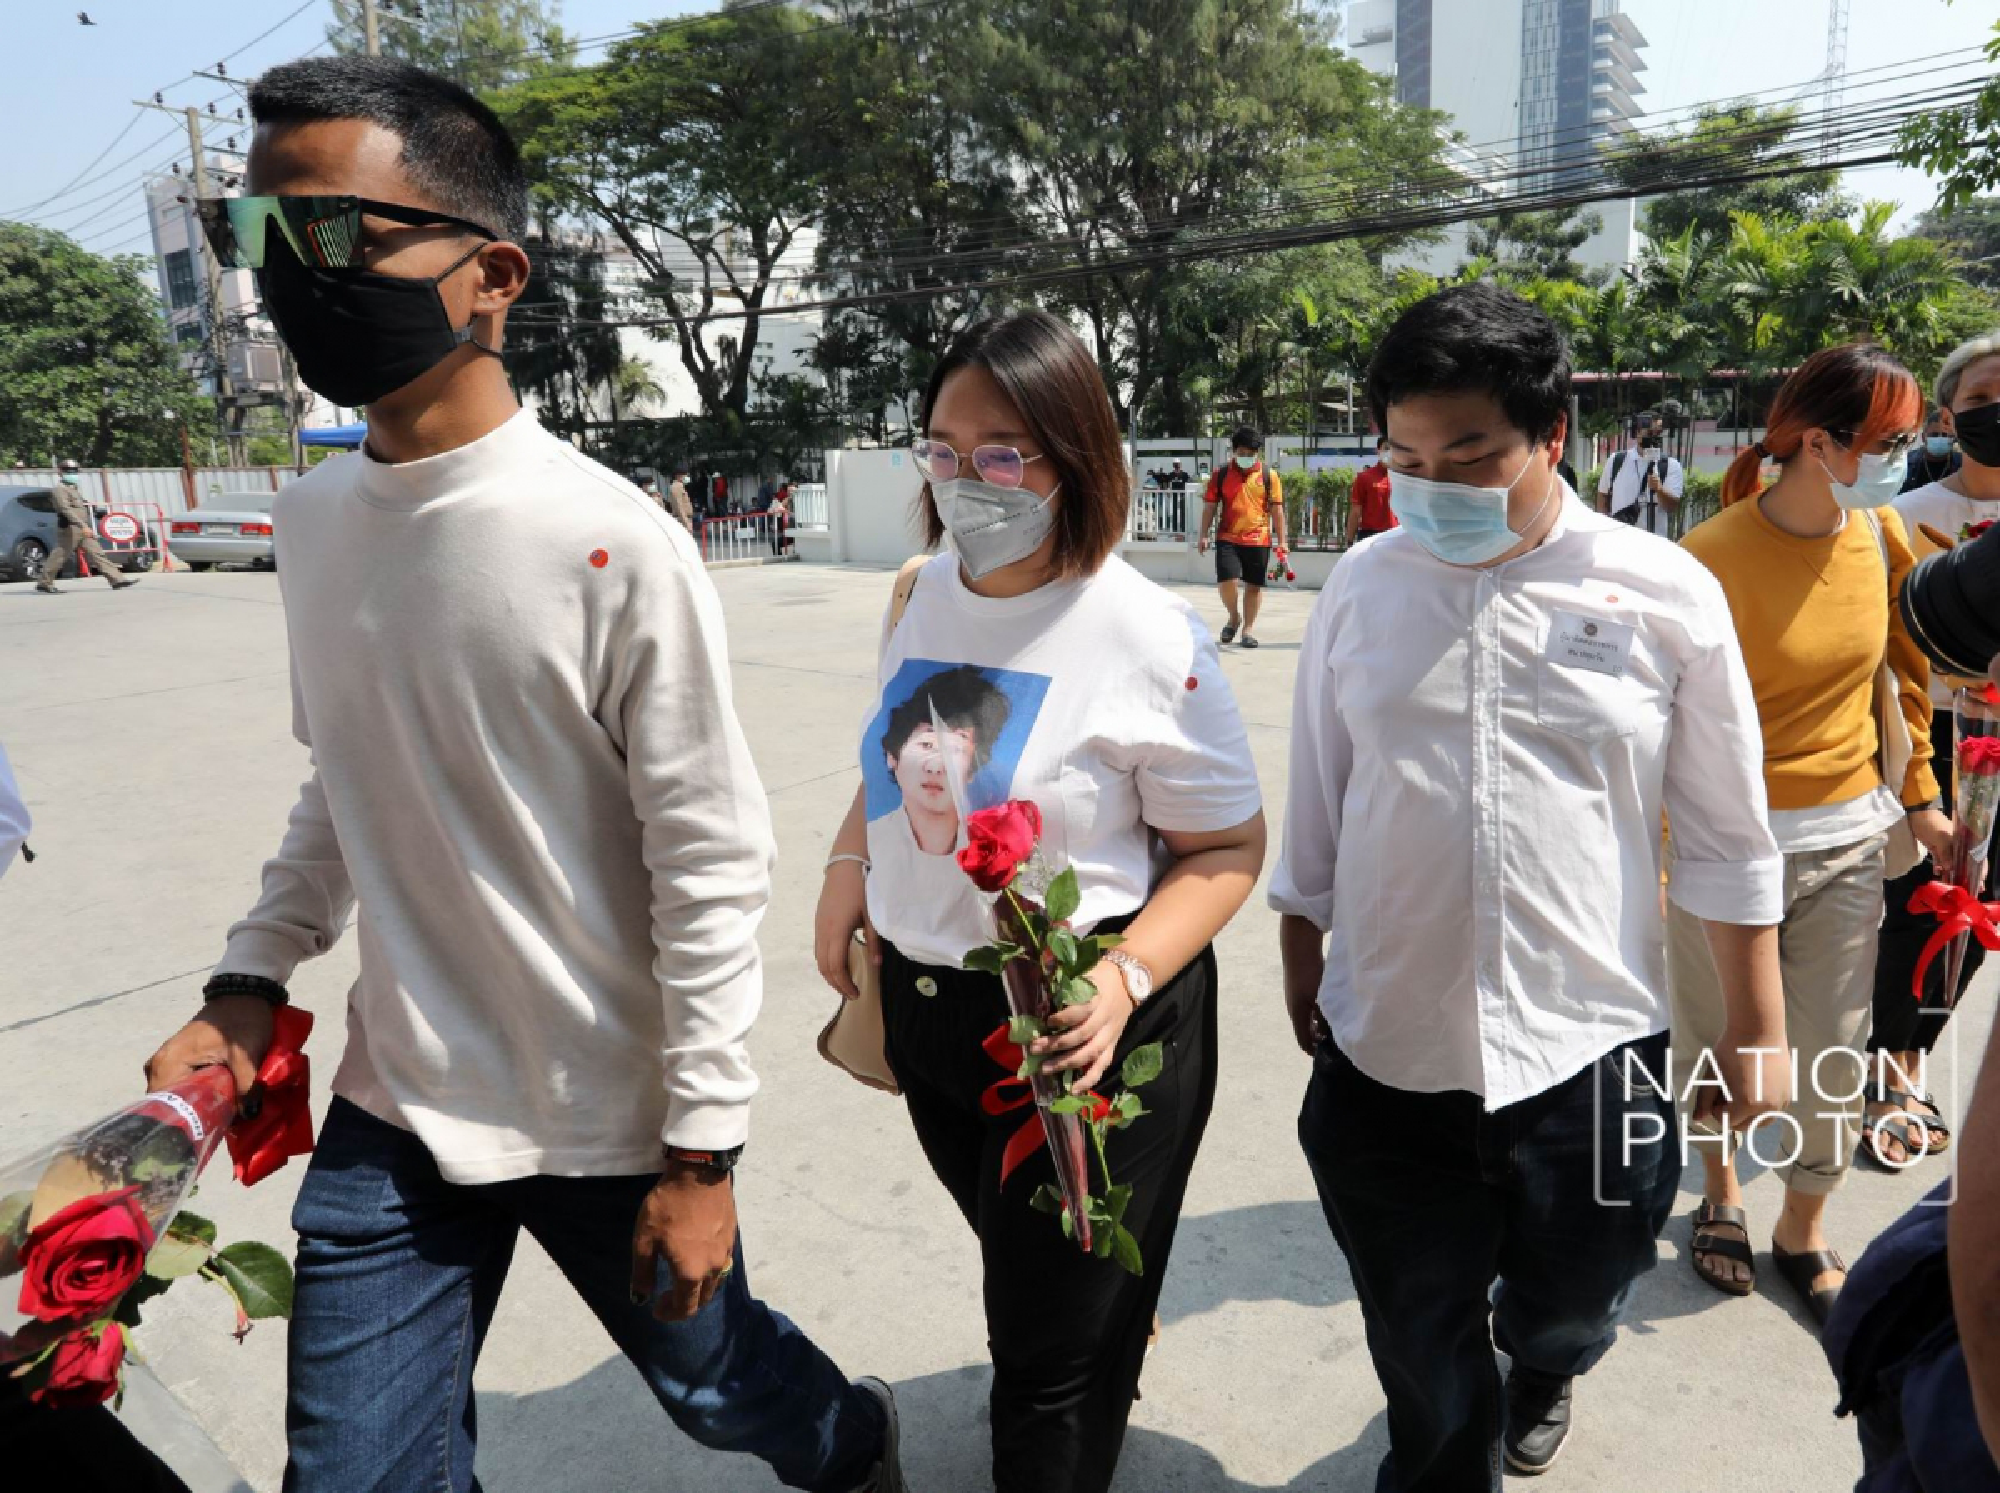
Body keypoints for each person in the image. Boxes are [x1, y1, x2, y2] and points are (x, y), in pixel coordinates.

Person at [146, 57, 905, 1493]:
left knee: (719, 1388)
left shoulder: (606, 544)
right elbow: (347, 778)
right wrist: (251, 975)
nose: (287, 280)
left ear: (492, 273)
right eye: (254, 239)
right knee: (357, 1476)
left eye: (328, 237)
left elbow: (707, 860)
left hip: (609, 1110)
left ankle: (849, 1438)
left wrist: (704, 1154)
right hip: (400, 1105)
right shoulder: (312, 524)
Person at [1273, 282, 1790, 1487]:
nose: (1432, 482)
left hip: (1593, 1047)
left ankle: (1546, 1362)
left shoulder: (1662, 591)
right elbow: (1319, 789)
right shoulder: (1361, 584)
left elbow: (1724, 829)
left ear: (1550, 434)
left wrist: (1757, 1025)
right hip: (1387, 1043)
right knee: (1416, 1336)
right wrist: (1303, 959)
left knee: (1578, 1292)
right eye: (1405, 453)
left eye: (1469, 452)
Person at [813, 309, 1265, 1493]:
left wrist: (1118, 985)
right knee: (1035, 1265)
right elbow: (894, 751)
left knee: (1043, 1366)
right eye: (944, 448)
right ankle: (1107, 1306)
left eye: (1004, 451)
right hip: (927, 1013)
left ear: (1075, 456)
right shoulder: (918, 589)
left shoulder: (1141, 632)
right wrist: (847, 872)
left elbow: (1224, 844)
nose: (969, 479)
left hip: (1080, 1030)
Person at [1673, 343, 1945, 1330]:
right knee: (1713, 1042)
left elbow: (1903, 679)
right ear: (1818, 443)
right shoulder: (1704, 560)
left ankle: (1797, 1224)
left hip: (1841, 839)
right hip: (1716, 851)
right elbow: (1668, 724)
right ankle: (1720, 1190)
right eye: (1887, 441)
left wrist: (1917, 792)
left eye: (1913, 440)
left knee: (1833, 1048)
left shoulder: (1881, 538)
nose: (1903, 458)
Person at [1868, 332, 2000, 1165]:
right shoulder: (1905, 520)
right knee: (1917, 905)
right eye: (1984, 400)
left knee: (1983, 905)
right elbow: (1887, 650)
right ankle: (1895, 1068)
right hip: (1933, 739)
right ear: (1950, 415)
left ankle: (1938, 1048)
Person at [1197, 425, 1286, 648]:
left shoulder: (1269, 475)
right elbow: (1209, 507)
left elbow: (1277, 510)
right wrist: (1203, 535)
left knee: (1253, 586)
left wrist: (1282, 541)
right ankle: (1233, 616)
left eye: (1251, 454)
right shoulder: (1221, 474)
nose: (1246, 458)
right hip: (1228, 536)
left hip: (1259, 539)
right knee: (1228, 581)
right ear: (1234, 452)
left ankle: (1247, 629)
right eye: (1241, 454)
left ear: (1258, 453)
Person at [36, 461, 138, 594]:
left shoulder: (73, 488)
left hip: (82, 528)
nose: (72, 473)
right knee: (60, 555)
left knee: (97, 553)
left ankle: (117, 580)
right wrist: (82, 525)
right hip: (70, 527)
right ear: (60, 472)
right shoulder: (59, 489)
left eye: (74, 471)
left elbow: (80, 507)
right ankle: (44, 583)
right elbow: (65, 509)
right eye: (68, 471)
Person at [1596, 420, 1683, 536]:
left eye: (1655, 433)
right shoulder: (1616, 460)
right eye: (1648, 432)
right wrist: (1603, 528)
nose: (1651, 437)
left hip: (1654, 543)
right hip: (1619, 541)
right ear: (1636, 433)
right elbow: (1603, 495)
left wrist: (1659, 489)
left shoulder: (1671, 465)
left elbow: (1672, 506)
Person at [1902, 407, 1963, 494]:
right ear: (1923, 437)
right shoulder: (1906, 464)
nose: (1940, 438)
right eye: (1934, 434)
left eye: (1945, 435)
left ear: (1953, 438)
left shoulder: (1962, 466)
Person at [1347, 435, 1395, 543]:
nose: (1390, 452)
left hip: (1395, 536)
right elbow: (1355, 512)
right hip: (1370, 536)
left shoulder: (1403, 479)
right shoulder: (1364, 478)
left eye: (1393, 449)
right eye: (1386, 448)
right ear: (1378, 451)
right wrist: (1350, 540)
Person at [667, 464, 695, 531]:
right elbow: (679, 505)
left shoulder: (680, 486)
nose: (687, 477)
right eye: (686, 475)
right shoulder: (676, 487)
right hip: (682, 520)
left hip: (685, 518)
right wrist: (686, 522)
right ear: (679, 475)